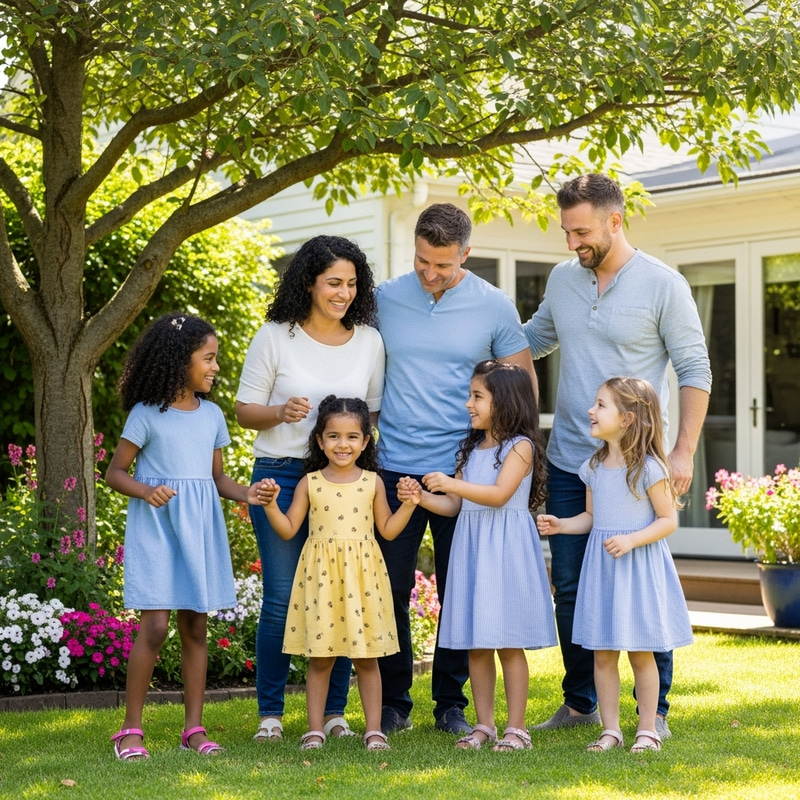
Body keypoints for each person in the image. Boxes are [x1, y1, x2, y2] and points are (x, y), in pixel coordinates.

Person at [524, 173, 711, 738]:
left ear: (615, 220)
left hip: (634, 465)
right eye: (566, 232)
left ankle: (655, 714)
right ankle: (581, 701)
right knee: (573, 586)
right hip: (570, 460)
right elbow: (531, 341)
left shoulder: (663, 284)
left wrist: (681, 452)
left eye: (581, 231)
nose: (572, 243)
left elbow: (694, 370)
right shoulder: (563, 279)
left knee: (642, 583)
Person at [375, 202, 536, 735]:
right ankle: (395, 701)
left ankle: (451, 702)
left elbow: (521, 386)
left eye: (442, 265)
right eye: (422, 260)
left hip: (466, 472)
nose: (430, 273)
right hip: (395, 466)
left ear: (466, 254)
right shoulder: (385, 298)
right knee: (391, 588)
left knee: (459, 590)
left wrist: (515, 458)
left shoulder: (494, 305)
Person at [236, 236, 385, 743]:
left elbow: (372, 414)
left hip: (344, 481)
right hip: (280, 472)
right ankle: (271, 715)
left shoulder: (369, 340)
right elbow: (243, 410)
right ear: (309, 283)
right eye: (333, 283)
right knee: (281, 598)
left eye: (351, 283)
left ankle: (337, 714)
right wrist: (281, 413)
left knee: (345, 592)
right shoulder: (276, 336)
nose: (343, 293)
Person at [106, 313, 265, 760]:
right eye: (208, 359)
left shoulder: (212, 415)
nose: (215, 368)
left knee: (196, 625)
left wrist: (248, 493)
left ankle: (193, 728)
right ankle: (130, 730)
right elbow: (115, 471)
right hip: (157, 529)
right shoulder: (146, 414)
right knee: (155, 627)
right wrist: (145, 489)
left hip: (199, 529)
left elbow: (216, 478)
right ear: (180, 361)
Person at [399, 361, 557, 751]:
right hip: (473, 548)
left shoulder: (520, 446)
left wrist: (452, 483)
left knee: (508, 641)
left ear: (503, 401)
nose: (469, 404)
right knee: (476, 640)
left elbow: (500, 495)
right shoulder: (471, 448)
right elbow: (455, 506)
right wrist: (422, 498)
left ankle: (516, 727)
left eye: (477, 396)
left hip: (505, 551)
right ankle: (484, 725)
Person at [537, 377, 693, 753]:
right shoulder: (592, 467)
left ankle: (647, 730)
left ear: (627, 418)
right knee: (602, 654)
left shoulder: (651, 469)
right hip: (604, 571)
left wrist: (631, 539)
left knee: (641, 654)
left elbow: (667, 520)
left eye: (600, 405)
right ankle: (610, 730)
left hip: (636, 569)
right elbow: (591, 518)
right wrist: (563, 525)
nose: (591, 411)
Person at [256, 396, 419, 751]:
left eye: (351, 437)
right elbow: (287, 529)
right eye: (333, 436)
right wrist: (270, 505)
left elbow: (388, 530)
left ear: (364, 441)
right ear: (319, 440)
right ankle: (314, 729)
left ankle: (373, 729)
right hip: (322, 581)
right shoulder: (310, 483)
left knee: (367, 658)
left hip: (363, 580)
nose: (342, 444)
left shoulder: (373, 482)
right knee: (321, 657)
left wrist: (408, 504)